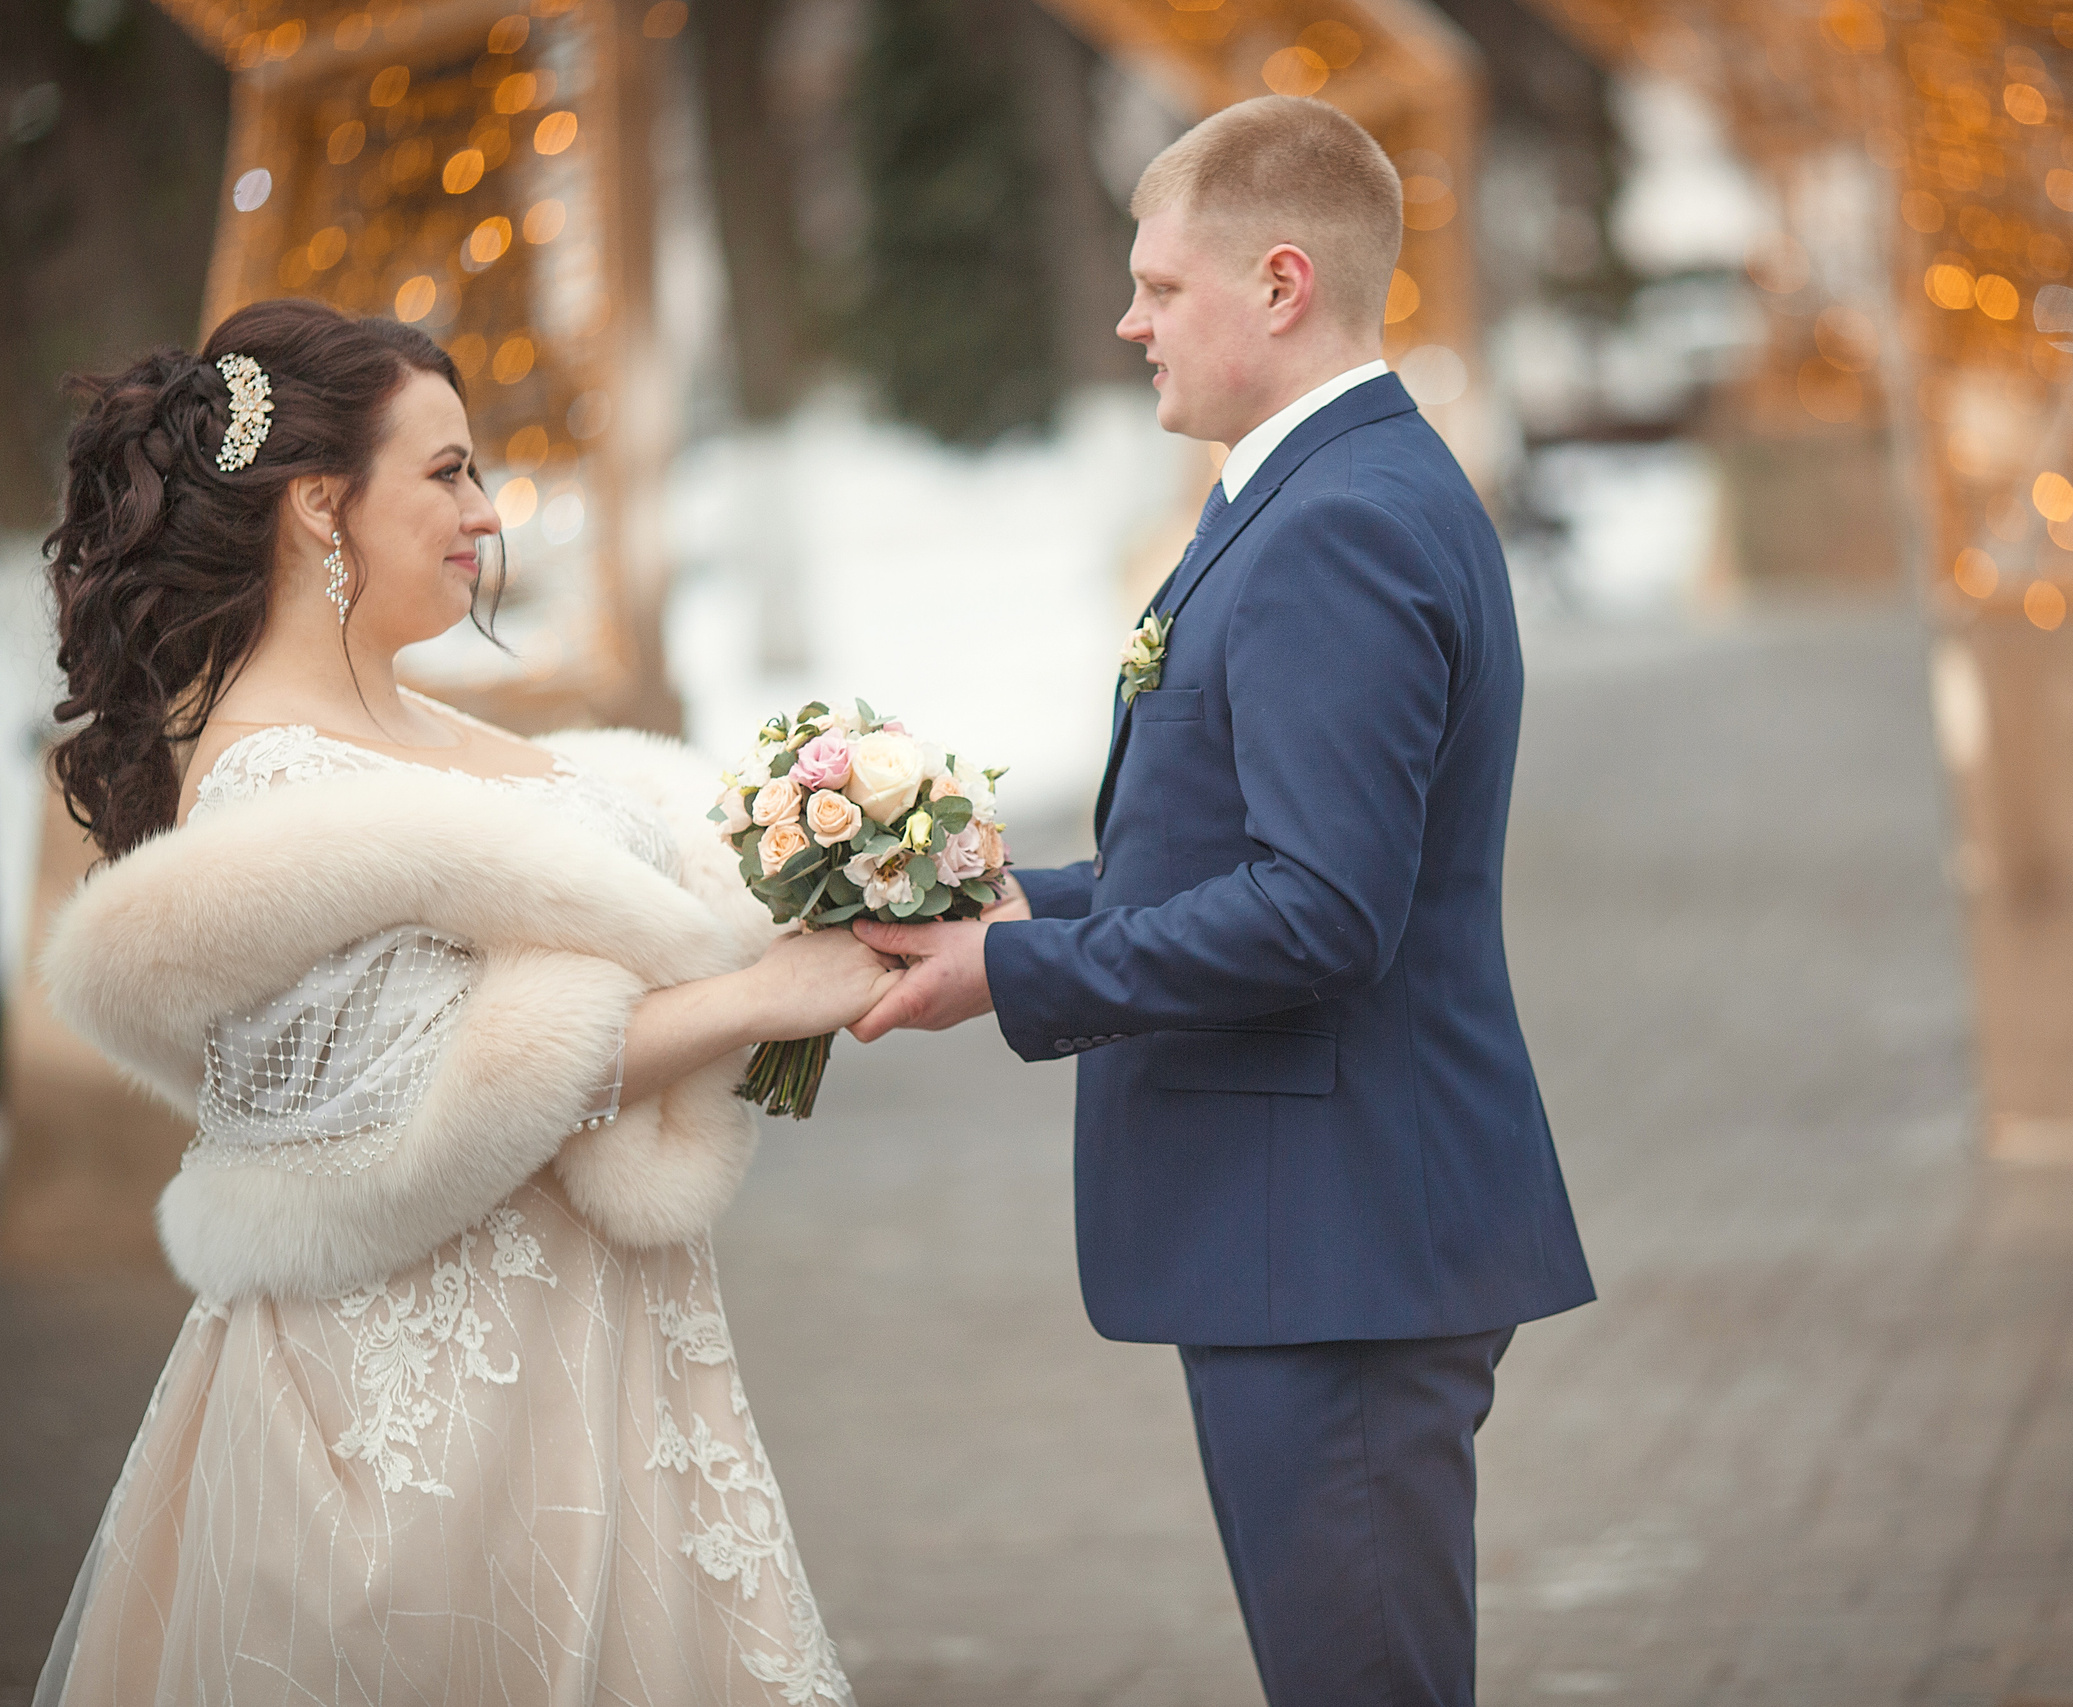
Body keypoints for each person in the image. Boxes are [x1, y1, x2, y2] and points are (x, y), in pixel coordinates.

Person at [34, 297, 892, 1702]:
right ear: (321, 506)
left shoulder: (436, 729)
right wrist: (759, 997)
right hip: (415, 1416)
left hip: (607, 1361)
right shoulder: (271, 782)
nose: (484, 513)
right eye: (444, 472)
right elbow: (441, 1095)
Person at [851, 96, 1595, 1706]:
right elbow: (1232, 856)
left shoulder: (1336, 523)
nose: (1130, 321)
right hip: (1324, 1235)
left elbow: (1325, 910)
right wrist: (999, 902)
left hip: (1337, 1248)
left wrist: (1018, 978)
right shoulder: (1320, 489)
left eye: (1160, 288)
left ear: (1279, 285)